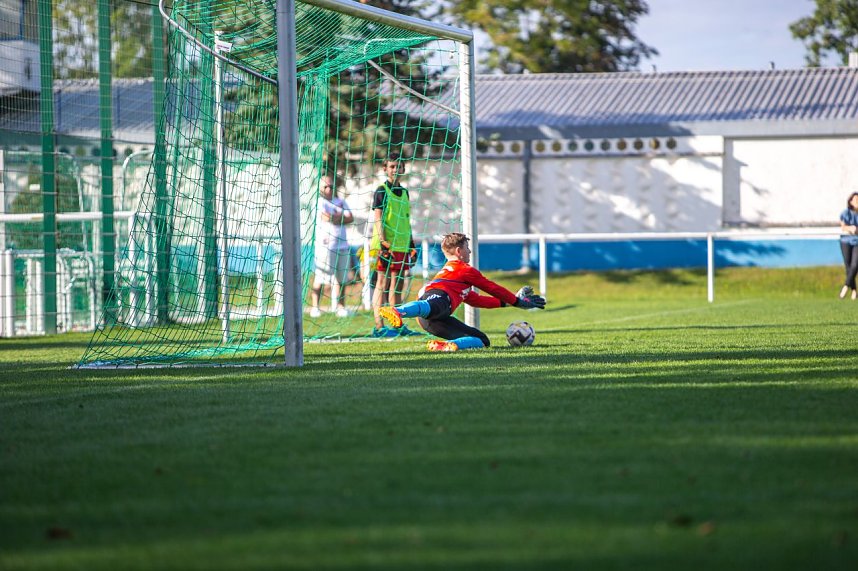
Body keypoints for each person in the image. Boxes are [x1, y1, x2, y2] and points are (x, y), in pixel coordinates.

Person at [378, 232, 546, 351]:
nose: (470, 251)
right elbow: (492, 288)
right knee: (434, 303)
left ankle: (450, 346)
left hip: (434, 320)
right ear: (459, 251)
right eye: (467, 248)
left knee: (482, 340)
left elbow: (477, 300)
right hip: (436, 303)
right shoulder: (465, 270)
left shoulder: (455, 278)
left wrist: (511, 302)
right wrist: (517, 302)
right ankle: (398, 310)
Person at [371, 155, 418, 336]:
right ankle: (379, 326)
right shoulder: (381, 190)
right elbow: (378, 218)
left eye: (399, 166)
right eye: (392, 166)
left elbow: (406, 220)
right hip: (386, 245)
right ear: (385, 169)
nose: (395, 170)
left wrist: (411, 243)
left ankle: (397, 325)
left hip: (401, 245)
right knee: (382, 283)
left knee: (398, 285)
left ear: (403, 169)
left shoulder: (405, 192)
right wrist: (383, 242)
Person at [309, 175, 354, 317]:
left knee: (342, 279)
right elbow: (327, 218)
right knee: (321, 278)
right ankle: (315, 307)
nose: (329, 189)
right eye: (325, 187)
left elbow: (350, 218)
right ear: (320, 188)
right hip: (325, 246)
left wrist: (337, 217)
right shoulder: (319, 203)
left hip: (342, 245)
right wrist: (341, 217)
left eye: (331, 186)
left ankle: (341, 307)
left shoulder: (340, 201)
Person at [838, 191, 858, 300]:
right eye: (856, 200)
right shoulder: (846, 213)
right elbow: (843, 226)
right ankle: (854, 291)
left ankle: (845, 287)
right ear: (851, 201)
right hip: (845, 241)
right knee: (848, 266)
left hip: (857, 242)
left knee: (855, 265)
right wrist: (850, 228)